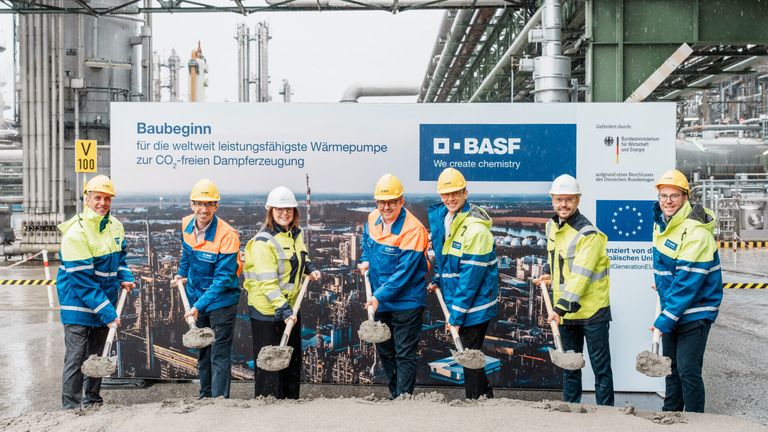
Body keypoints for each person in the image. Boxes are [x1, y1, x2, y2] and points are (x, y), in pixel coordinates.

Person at [534, 174, 614, 406]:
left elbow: (581, 276)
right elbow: (555, 257)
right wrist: (549, 273)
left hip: (592, 311)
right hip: (567, 312)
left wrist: (559, 309)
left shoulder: (588, 234)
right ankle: (570, 411)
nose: (563, 204)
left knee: (601, 369)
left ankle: (608, 415)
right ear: (552, 200)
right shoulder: (551, 226)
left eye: (568, 199)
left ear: (578, 200)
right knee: (570, 368)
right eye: (559, 199)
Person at [57, 175, 136, 409]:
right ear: (87, 198)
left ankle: (92, 400)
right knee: (76, 358)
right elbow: (83, 282)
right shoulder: (75, 233)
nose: (102, 203)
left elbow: (120, 259)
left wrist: (126, 277)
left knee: (97, 357)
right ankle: (71, 407)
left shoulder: (116, 226)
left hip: (104, 302)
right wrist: (108, 314)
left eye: (107, 198)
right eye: (97, 198)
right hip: (78, 304)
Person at [651, 169, 722, 413]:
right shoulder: (662, 224)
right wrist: (662, 285)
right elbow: (672, 269)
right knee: (671, 369)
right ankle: (670, 416)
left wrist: (663, 320)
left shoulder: (696, 231)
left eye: (674, 196)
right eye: (663, 195)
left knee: (688, 370)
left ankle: (695, 422)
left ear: (685, 198)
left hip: (695, 311)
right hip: (675, 306)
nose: (667, 201)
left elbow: (688, 281)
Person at [427, 168, 498, 399]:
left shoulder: (476, 229)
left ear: (465, 192)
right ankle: (486, 395)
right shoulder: (444, 219)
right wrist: (438, 278)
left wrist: (455, 317)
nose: (450, 198)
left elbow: (470, 280)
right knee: (471, 354)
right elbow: (444, 258)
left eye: (455, 193)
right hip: (459, 300)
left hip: (475, 305)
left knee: (468, 356)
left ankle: (473, 402)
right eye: (445, 194)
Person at [243, 186, 321, 399]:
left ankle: (289, 404)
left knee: (290, 361)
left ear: (295, 212)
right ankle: (266, 406)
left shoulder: (296, 234)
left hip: (290, 308)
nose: (284, 213)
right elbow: (268, 284)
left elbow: (301, 256)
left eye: (289, 209)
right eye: (279, 209)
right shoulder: (263, 242)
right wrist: (285, 310)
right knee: (269, 365)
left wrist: (310, 268)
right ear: (271, 211)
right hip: (268, 311)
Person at [358, 174, 429, 399]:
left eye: (392, 201)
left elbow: (403, 274)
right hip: (381, 299)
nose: (386, 207)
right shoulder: (372, 219)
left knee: (404, 353)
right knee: (385, 351)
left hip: (407, 301)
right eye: (382, 202)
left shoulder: (413, 229)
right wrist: (366, 259)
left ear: (402, 201)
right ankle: (394, 394)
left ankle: (403, 399)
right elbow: (366, 243)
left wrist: (378, 296)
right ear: (376, 202)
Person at [172, 178, 242, 399]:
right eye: (199, 203)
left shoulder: (227, 235)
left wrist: (198, 306)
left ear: (216, 206)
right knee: (203, 351)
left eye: (209, 204)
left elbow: (222, 279)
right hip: (196, 297)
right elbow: (187, 254)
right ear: (192, 204)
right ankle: (205, 396)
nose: (203, 209)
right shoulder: (186, 224)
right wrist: (181, 273)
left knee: (219, 354)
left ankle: (219, 401)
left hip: (221, 302)